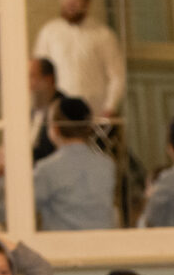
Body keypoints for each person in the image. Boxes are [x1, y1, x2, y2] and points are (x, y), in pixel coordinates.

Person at [33, 0, 125, 118]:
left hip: (93, 110)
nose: (70, 5)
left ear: (87, 4)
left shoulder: (103, 35)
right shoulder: (49, 32)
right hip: (59, 111)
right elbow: (40, 73)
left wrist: (110, 107)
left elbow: (117, 75)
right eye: (67, 1)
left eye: (75, 1)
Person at [33, 97, 117, 231]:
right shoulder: (107, 165)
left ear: (55, 129)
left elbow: (23, 208)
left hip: (62, 243)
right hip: (103, 241)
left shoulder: (46, 169)